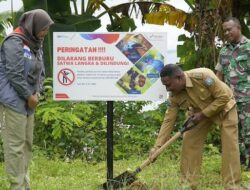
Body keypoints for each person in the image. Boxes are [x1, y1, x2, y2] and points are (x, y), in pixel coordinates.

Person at [149, 64, 241, 190]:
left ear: (179, 77)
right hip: (198, 113)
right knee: (189, 143)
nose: (167, 89)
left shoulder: (203, 76)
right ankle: (188, 185)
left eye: (168, 84)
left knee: (230, 147)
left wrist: (203, 114)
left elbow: (224, 96)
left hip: (224, 108)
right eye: (165, 85)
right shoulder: (174, 95)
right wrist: (157, 147)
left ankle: (232, 186)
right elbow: (168, 120)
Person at [0, 9, 54, 189]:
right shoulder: (14, 42)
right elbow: (14, 74)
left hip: (29, 101)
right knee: (15, 147)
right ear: (33, 25)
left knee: (27, 144)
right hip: (14, 101)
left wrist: (37, 93)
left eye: (46, 30)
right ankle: (17, 186)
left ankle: (25, 185)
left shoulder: (35, 43)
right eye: (43, 29)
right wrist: (28, 96)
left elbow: (41, 71)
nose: (45, 33)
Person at [215, 17, 250, 170]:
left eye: (229, 29)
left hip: (248, 100)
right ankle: (239, 165)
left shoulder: (249, 47)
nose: (227, 33)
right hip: (230, 101)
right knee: (233, 135)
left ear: (238, 28)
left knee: (248, 133)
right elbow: (219, 76)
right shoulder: (224, 50)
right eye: (224, 31)